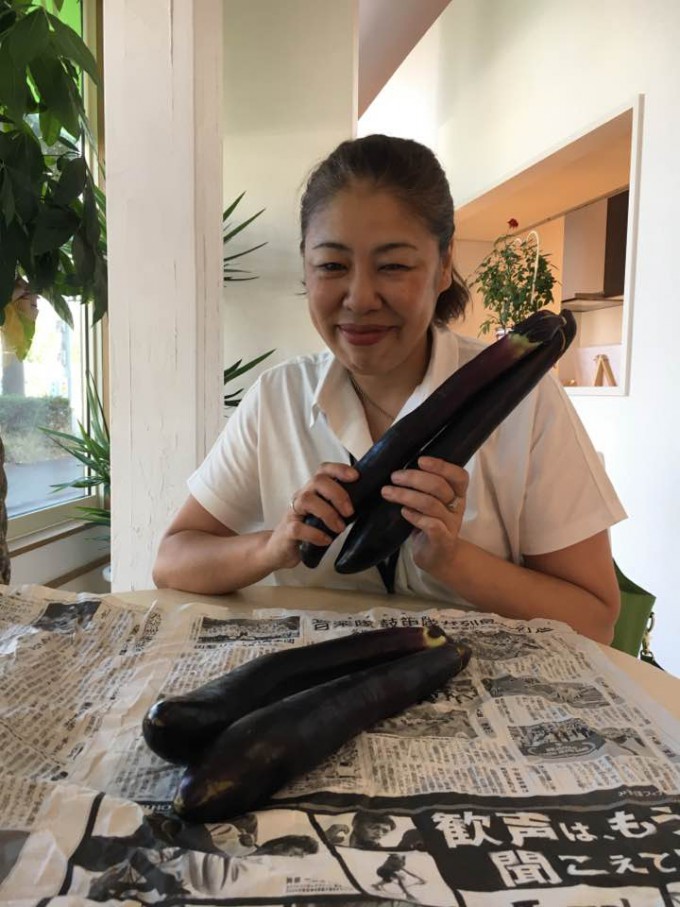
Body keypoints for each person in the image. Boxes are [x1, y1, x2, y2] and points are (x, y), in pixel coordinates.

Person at [153, 134, 625, 644]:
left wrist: (453, 560)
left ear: (443, 266)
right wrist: (273, 547)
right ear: (306, 266)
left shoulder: (526, 400)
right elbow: (173, 561)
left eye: (394, 266)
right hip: (317, 684)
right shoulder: (277, 399)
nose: (359, 299)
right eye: (332, 266)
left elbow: (594, 619)